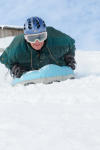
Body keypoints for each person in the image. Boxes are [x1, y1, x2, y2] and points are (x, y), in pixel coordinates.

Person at [0, 16, 76, 78]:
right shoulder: (18, 47)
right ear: (26, 38)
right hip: (28, 72)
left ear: (46, 35)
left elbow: (71, 45)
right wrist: (14, 67)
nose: (37, 42)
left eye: (41, 37)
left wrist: (69, 57)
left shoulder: (57, 39)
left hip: (56, 68)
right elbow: (4, 58)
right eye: (32, 38)